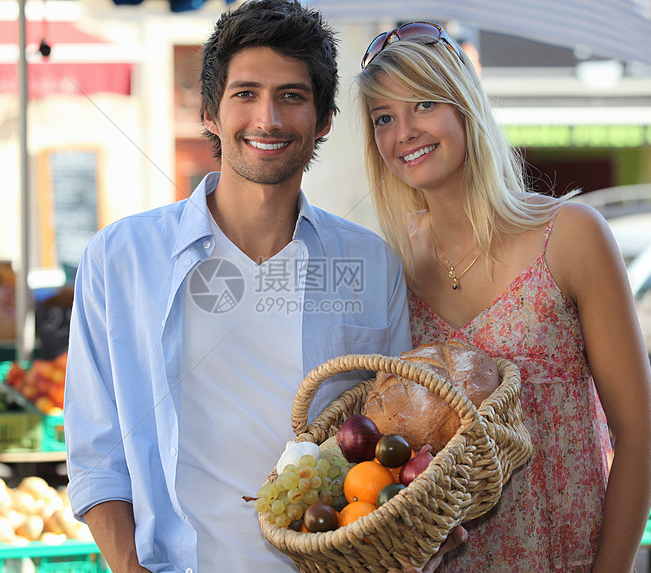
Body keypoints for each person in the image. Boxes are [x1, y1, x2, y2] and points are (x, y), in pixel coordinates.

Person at [63, 2, 416, 571]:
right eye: (246, 93)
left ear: (324, 119)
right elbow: (96, 448)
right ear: (210, 112)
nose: (268, 119)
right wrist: (129, 566)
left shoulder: (371, 264)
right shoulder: (121, 259)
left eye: (292, 96)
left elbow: (395, 436)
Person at [356, 21, 651, 572]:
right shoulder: (393, 267)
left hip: (569, 553)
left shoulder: (570, 235)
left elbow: (639, 435)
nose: (404, 132)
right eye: (384, 118)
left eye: (424, 104)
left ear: (465, 106)